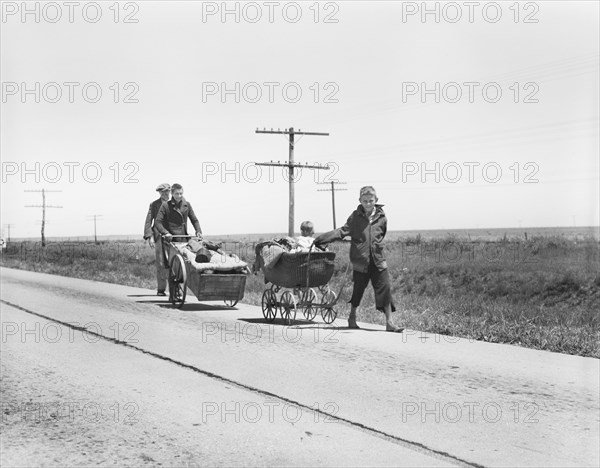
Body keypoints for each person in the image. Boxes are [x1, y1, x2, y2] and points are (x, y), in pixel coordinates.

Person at [314, 186, 403, 332]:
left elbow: (381, 235)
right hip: (361, 261)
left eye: (371, 201)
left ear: (376, 200)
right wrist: (323, 239)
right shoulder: (355, 217)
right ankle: (352, 317)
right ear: (360, 201)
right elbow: (343, 231)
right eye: (365, 201)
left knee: (385, 289)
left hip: (378, 260)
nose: (368, 203)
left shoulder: (382, 218)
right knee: (358, 290)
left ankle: (389, 322)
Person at [143, 183, 171, 296]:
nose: (165, 194)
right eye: (162, 192)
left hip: (172, 237)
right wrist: (150, 237)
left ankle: (175, 289)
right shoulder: (154, 205)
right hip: (159, 236)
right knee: (161, 263)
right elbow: (148, 221)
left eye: (167, 192)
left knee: (175, 263)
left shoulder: (174, 203)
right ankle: (161, 289)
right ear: (159, 193)